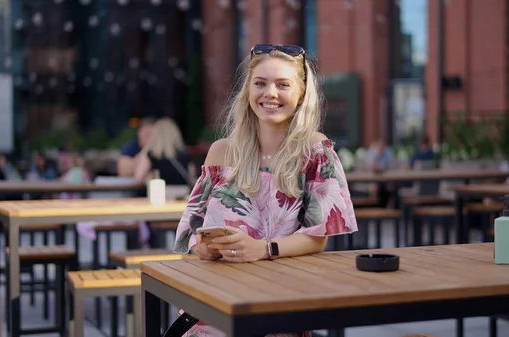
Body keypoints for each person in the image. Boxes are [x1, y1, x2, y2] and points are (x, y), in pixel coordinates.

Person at [172, 44, 358, 337]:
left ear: (300, 95)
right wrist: (203, 247)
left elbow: (317, 238)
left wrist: (262, 248)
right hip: (213, 303)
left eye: (283, 85)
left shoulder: (314, 150)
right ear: (248, 90)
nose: (270, 93)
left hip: (276, 303)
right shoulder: (220, 152)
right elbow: (191, 230)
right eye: (260, 83)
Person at [133, 117, 193, 186]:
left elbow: (138, 178)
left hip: (159, 195)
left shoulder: (151, 154)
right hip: (182, 195)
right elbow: (191, 178)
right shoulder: (184, 154)